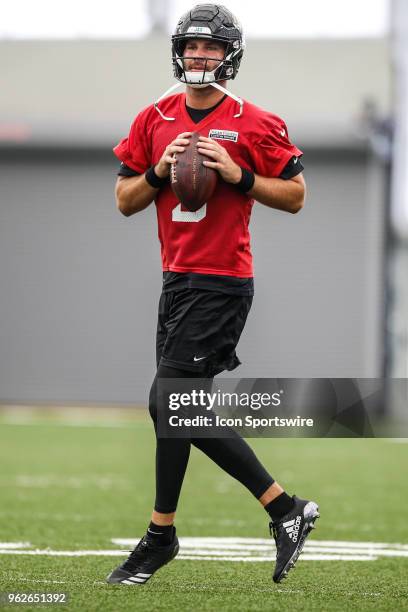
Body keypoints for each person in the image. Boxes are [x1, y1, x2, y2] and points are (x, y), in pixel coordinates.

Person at [107, 3, 319, 587]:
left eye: (212, 47)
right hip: (176, 279)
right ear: (179, 50)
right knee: (169, 407)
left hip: (222, 280)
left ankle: (162, 535)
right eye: (193, 45)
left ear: (230, 55)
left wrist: (238, 175)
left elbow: (296, 196)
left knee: (171, 402)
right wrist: (158, 172)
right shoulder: (154, 117)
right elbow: (125, 200)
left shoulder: (255, 121)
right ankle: (281, 510)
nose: (201, 55)